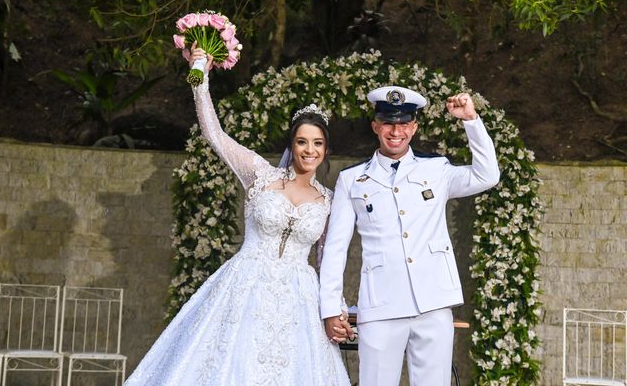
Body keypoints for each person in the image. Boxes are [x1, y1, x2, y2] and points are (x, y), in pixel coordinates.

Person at [124, 47, 351, 386]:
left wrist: (338, 309)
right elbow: (215, 134)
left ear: (326, 149)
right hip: (246, 286)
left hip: (299, 300)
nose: (309, 150)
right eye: (302, 141)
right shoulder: (261, 175)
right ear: (292, 144)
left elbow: (327, 260)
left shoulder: (330, 201)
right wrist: (200, 78)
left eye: (317, 143)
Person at [319, 86, 500, 386]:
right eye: (388, 123)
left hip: (433, 301)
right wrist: (329, 308)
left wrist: (471, 120)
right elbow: (336, 248)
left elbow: (487, 175)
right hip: (381, 307)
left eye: (404, 123)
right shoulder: (352, 180)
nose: (396, 131)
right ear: (375, 126)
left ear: (414, 128)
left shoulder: (436, 169)